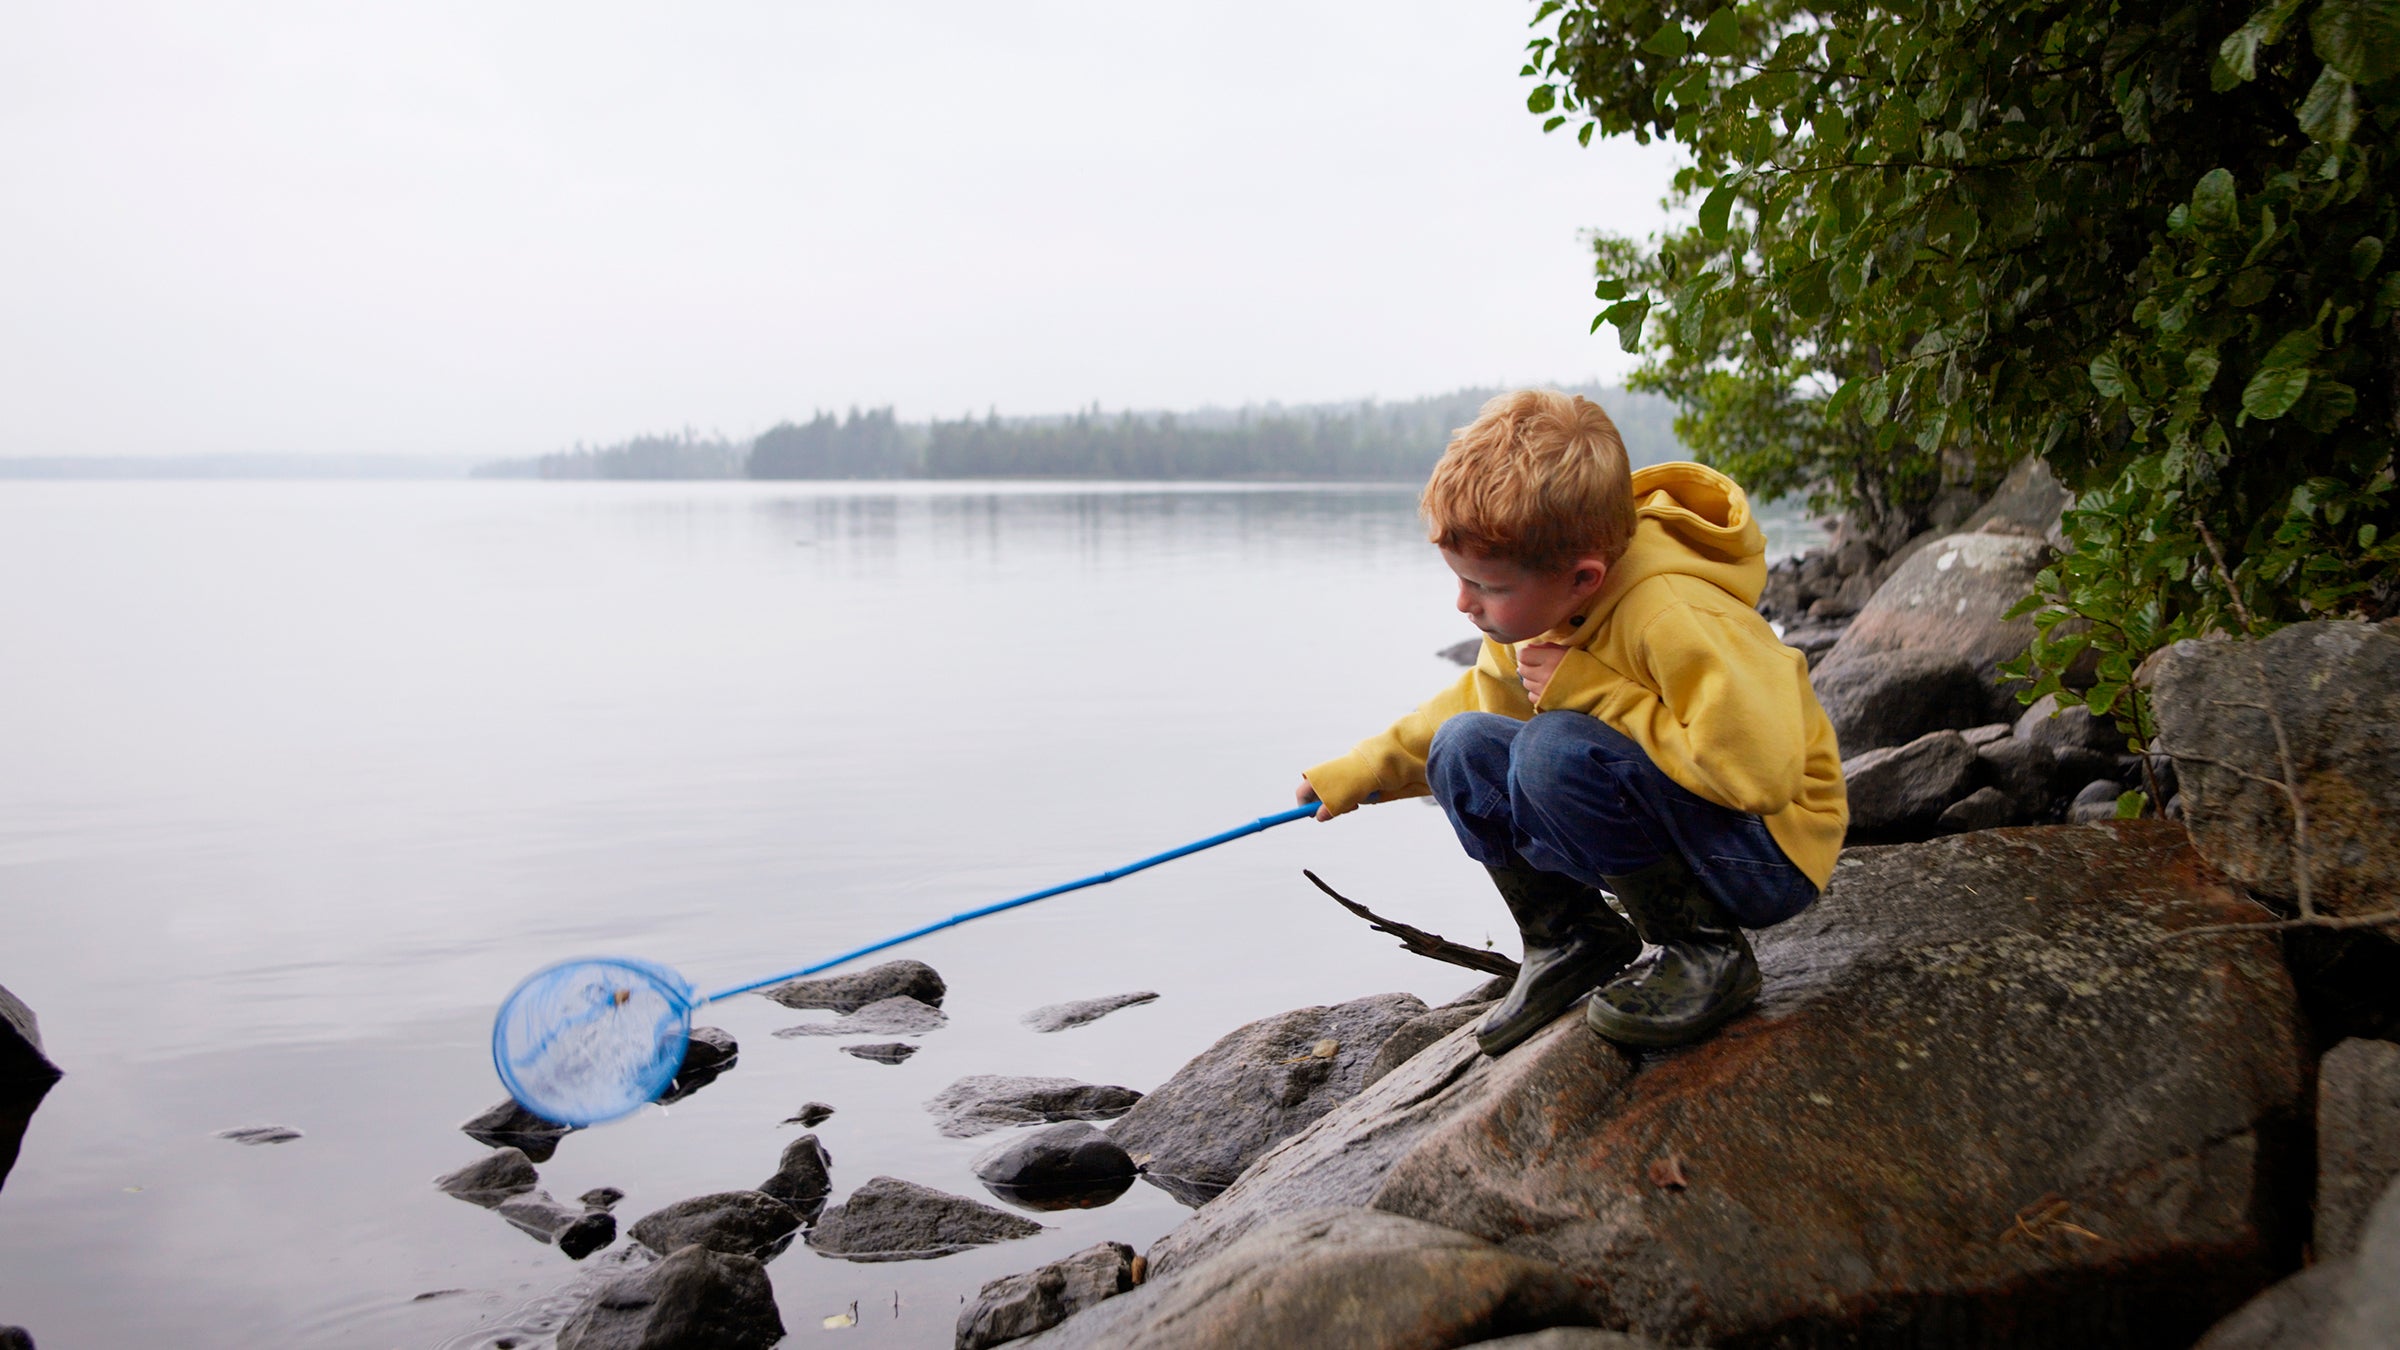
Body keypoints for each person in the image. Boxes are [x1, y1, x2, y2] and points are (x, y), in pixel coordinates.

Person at [1297, 389, 1846, 1054]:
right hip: (1680, 830)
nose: (1465, 604)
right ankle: (1570, 938)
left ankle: (1706, 952)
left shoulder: (1674, 613)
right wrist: (1361, 771)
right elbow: (1478, 705)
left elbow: (1759, 775)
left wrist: (1590, 690)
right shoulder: (1537, 606)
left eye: (1488, 587)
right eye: (1462, 580)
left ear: (1585, 578)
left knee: (1553, 749)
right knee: (1461, 746)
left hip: (1765, 854)